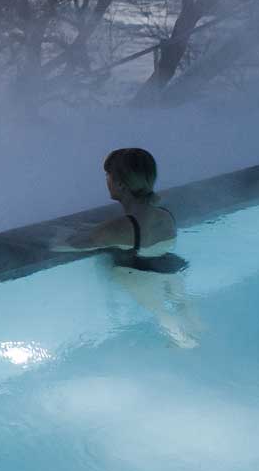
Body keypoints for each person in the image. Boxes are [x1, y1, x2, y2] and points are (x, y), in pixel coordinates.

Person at [53, 146, 200, 347]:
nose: (107, 181)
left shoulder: (120, 228)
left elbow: (67, 245)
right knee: (183, 306)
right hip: (171, 267)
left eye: (108, 175)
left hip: (140, 276)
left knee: (161, 314)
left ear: (121, 184)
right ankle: (197, 329)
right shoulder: (164, 214)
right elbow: (116, 231)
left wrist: (53, 236)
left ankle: (185, 345)